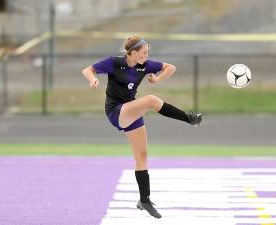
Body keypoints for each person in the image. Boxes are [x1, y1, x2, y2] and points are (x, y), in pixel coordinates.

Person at [82, 36, 203, 219]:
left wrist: (158, 79)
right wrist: (92, 79)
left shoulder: (144, 65)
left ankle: (144, 200)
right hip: (116, 111)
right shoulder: (114, 62)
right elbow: (88, 70)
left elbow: (170, 67)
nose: (147, 56)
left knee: (142, 156)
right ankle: (189, 118)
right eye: (144, 52)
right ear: (133, 52)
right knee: (151, 100)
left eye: (148, 53)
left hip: (132, 111)